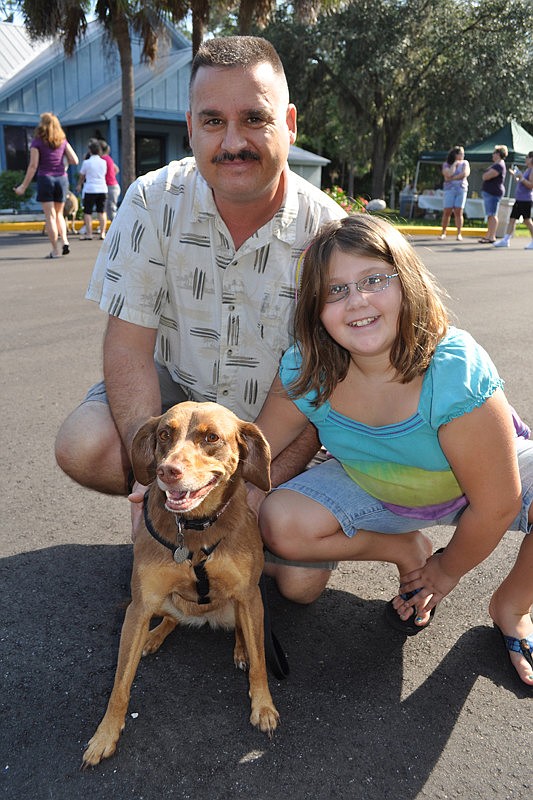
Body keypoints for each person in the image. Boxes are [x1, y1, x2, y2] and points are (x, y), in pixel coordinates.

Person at [54, 36, 345, 565]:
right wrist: (150, 477)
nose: (233, 141)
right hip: (180, 397)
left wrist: (253, 491)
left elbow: (314, 385)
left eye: (254, 118)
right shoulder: (149, 201)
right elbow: (128, 347)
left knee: (297, 584)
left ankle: (240, 515)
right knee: (83, 443)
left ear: (290, 123)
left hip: (276, 420)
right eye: (213, 121)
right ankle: (174, 511)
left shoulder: (330, 235)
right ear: (190, 127)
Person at [254, 214, 533, 688]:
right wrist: (184, 484)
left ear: (407, 282)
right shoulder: (306, 367)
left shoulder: (452, 369)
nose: (357, 300)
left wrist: (444, 572)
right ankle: (405, 545)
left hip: (475, 485)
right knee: (279, 522)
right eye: (334, 290)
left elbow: (497, 503)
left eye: (374, 280)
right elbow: (255, 449)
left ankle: (512, 605)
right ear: (313, 310)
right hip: (377, 486)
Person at [14, 112, 78, 258]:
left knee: (50, 216)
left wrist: (23, 186)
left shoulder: (37, 142)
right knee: (60, 214)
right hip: (61, 179)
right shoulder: (62, 140)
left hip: (46, 179)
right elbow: (75, 160)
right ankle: (65, 241)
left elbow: (33, 166)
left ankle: (55, 250)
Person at [493, 151, 533, 249]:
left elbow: (530, 185)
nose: (526, 159)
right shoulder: (528, 169)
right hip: (519, 199)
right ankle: (506, 240)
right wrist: (516, 176)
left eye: (527, 157)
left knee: (527, 220)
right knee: (512, 219)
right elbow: (522, 182)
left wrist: (521, 178)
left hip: (525, 199)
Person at [76, 140, 108, 240]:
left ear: (90, 150)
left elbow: (82, 175)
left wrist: (79, 185)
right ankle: (102, 233)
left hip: (90, 189)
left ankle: (89, 234)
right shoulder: (104, 162)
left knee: (88, 212)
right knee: (101, 211)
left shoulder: (86, 162)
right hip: (102, 188)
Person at [439, 145, 470, 241]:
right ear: (456, 155)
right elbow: (448, 173)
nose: (463, 155)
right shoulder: (446, 164)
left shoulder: (465, 163)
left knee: (458, 211)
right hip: (449, 190)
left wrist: (451, 179)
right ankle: (443, 232)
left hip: (461, 189)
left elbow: (464, 174)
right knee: (447, 211)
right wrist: (455, 164)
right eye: (461, 153)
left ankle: (459, 233)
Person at [479, 145, 508, 243]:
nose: (493, 155)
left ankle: (492, 236)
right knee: (490, 215)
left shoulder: (499, 165)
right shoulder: (496, 164)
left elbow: (486, 176)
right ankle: (489, 235)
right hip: (490, 192)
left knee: (492, 214)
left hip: (493, 192)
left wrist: (485, 175)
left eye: (494, 153)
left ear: (499, 154)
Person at [99, 140, 121, 223]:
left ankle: (117, 226)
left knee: (110, 209)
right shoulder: (109, 158)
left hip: (109, 186)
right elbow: (117, 169)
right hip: (114, 186)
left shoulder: (102, 159)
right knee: (109, 208)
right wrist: (111, 175)